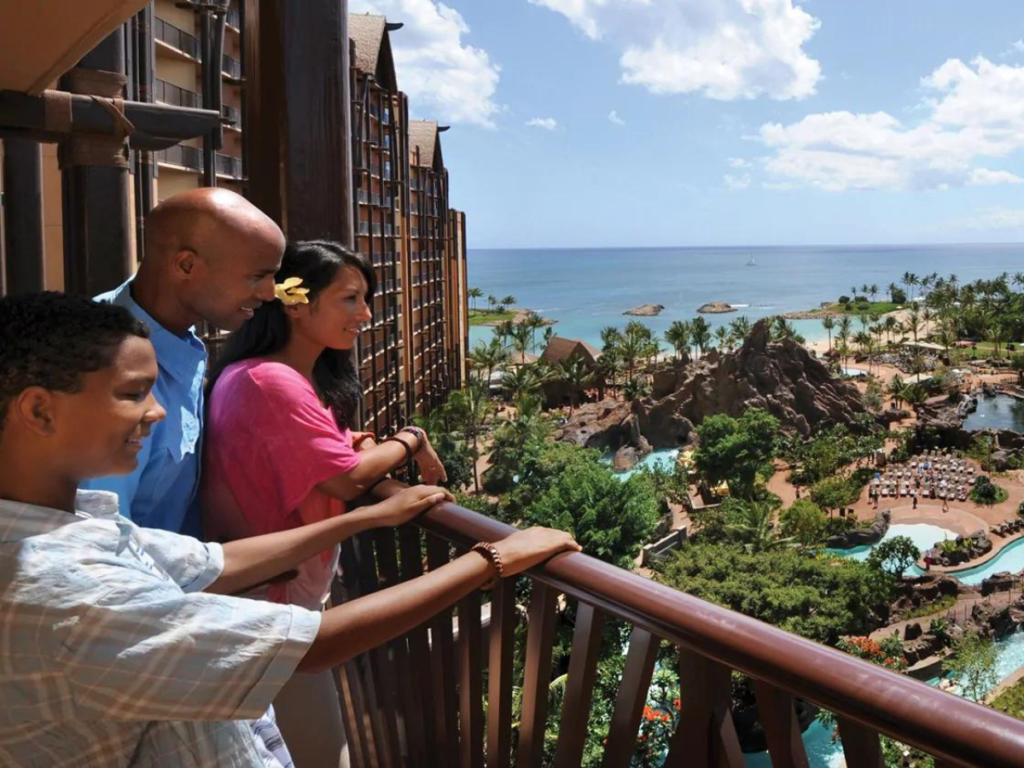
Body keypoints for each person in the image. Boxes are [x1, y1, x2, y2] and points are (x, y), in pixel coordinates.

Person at [0, 291, 580, 767]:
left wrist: (365, 517)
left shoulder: (71, 527)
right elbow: (312, 646)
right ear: (40, 410)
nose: (155, 411)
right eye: (132, 393)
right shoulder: (64, 590)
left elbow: (216, 562)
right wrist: (492, 560)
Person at [201, 241, 450, 764]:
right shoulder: (271, 381)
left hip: (272, 594)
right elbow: (346, 479)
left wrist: (360, 446)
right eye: (350, 299)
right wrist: (411, 441)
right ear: (295, 303)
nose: (365, 314)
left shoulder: (268, 375)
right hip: (272, 606)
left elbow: (328, 455)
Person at [81, 188, 287, 536]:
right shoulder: (98, 361)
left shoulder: (180, 338)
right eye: (256, 277)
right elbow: (104, 541)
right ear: (186, 265)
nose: (269, 293)